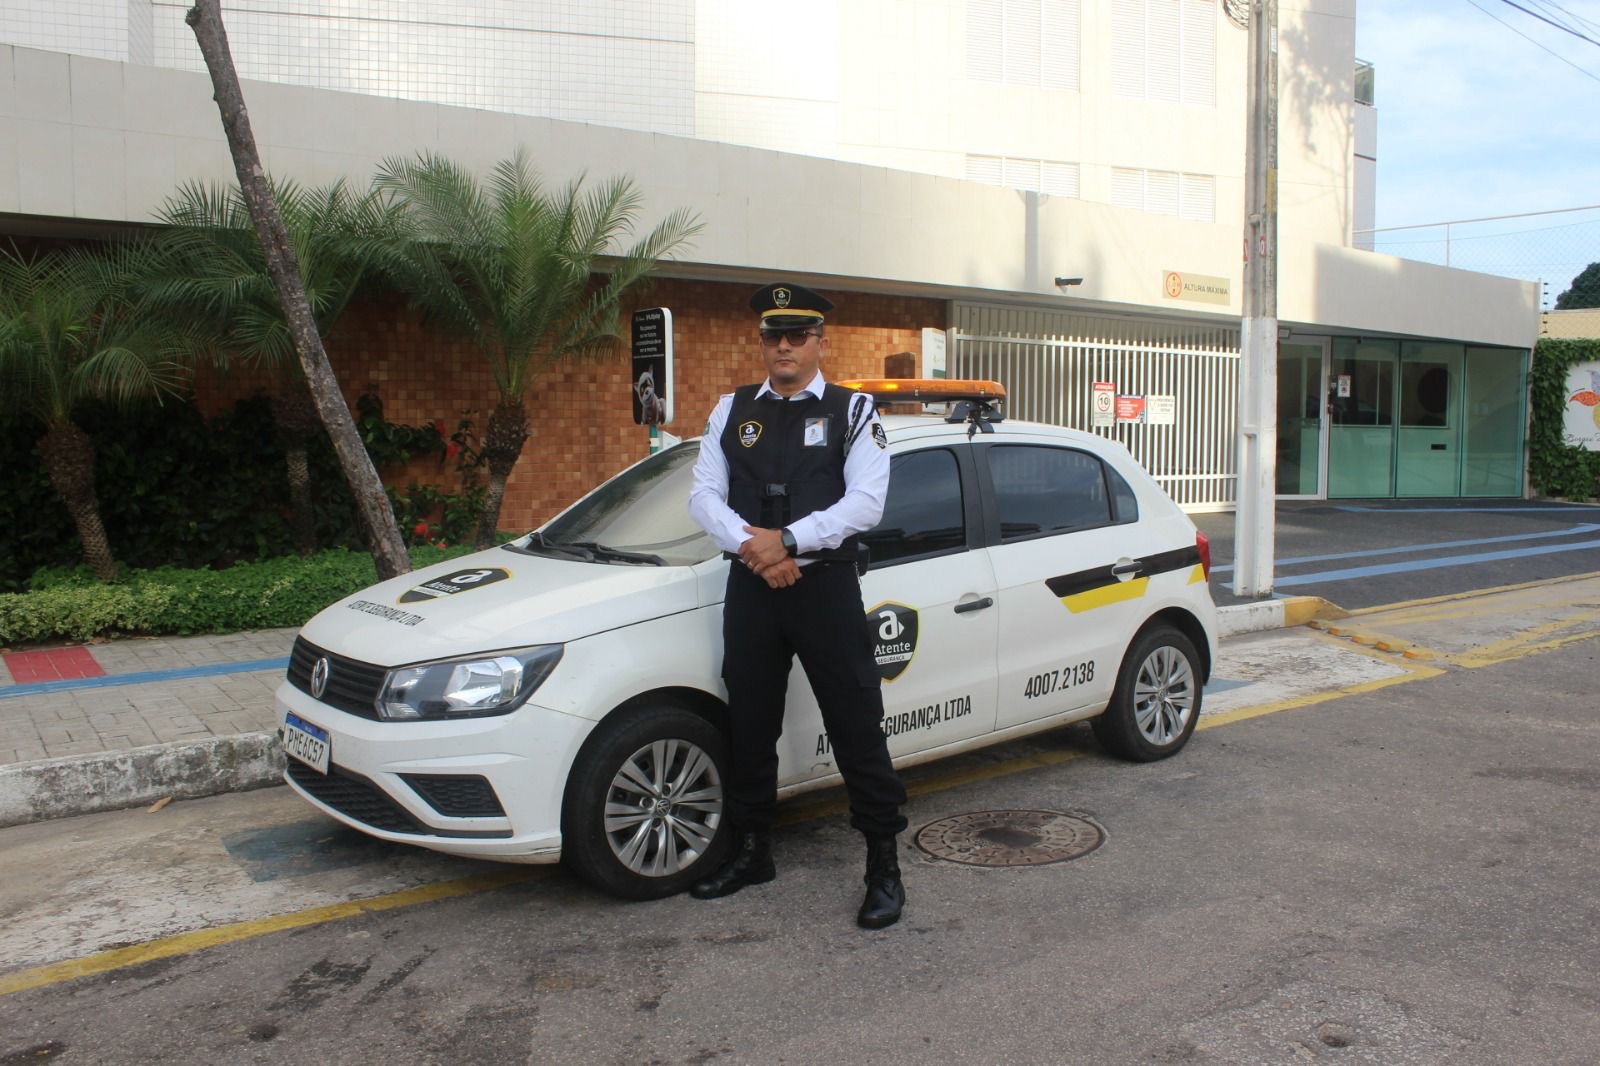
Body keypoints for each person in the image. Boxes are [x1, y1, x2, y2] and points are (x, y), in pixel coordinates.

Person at [686, 281, 908, 929]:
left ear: (819, 342)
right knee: (750, 726)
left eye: (797, 335)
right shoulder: (731, 410)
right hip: (754, 591)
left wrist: (787, 541)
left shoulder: (855, 410)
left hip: (825, 590)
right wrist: (756, 550)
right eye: (772, 336)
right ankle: (753, 851)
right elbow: (704, 496)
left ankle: (884, 866)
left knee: (856, 727)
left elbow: (867, 503)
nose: (783, 346)